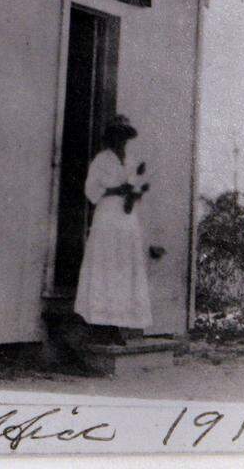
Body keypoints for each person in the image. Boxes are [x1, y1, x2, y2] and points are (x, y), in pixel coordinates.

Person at [73, 114, 154, 342]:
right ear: (110, 137)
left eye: (124, 135)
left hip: (126, 219)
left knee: (123, 266)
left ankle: (117, 324)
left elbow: (137, 190)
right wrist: (115, 191)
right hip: (108, 214)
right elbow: (91, 191)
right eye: (117, 135)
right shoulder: (101, 160)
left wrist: (135, 193)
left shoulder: (132, 162)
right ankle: (100, 324)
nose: (121, 140)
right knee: (106, 264)